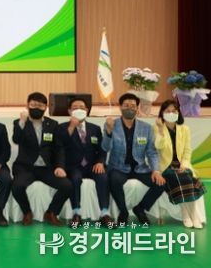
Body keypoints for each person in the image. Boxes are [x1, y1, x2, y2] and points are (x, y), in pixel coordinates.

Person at [103, 93, 166, 225]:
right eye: (126, 105)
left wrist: (156, 171)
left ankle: (140, 209)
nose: (130, 108)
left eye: (133, 106)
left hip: (140, 168)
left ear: (137, 108)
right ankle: (123, 211)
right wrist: (108, 132)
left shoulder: (146, 128)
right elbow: (105, 148)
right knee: (114, 180)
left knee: (161, 183)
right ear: (120, 107)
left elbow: (151, 152)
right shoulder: (112, 124)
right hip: (118, 167)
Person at [11, 92, 72, 226]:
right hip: (26, 168)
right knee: (16, 186)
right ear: (27, 105)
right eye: (33, 105)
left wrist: (60, 166)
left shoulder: (53, 124)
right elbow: (16, 139)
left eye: (40, 105)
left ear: (45, 107)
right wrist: (22, 122)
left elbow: (58, 148)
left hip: (47, 168)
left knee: (67, 185)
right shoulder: (19, 122)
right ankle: (27, 212)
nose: (36, 108)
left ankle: (51, 212)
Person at [57, 97, 112, 227]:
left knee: (103, 177)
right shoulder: (61, 127)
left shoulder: (95, 128)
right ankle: (76, 213)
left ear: (87, 110)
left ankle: (105, 213)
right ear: (69, 111)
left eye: (82, 107)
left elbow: (102, 149)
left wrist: (100, 162)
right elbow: (60, 146)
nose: (79, 110)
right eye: (75, 108)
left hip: (92, 165)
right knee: (75, 178)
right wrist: (72, 126)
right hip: (73, 166)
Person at [154, 99, 206, 228]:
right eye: (168, 111)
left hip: (182, 165)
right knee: (177, 177)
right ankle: (186, 214)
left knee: (187, 176)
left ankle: (192, 215)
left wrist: (184, 164)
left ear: (178, 113)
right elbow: (158, 146)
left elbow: (188, 150)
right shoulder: (157, 128)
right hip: (166, 166)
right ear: (162, 113)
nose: (171, 113)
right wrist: (160, 130)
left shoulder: (184, 129)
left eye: (174, 111)